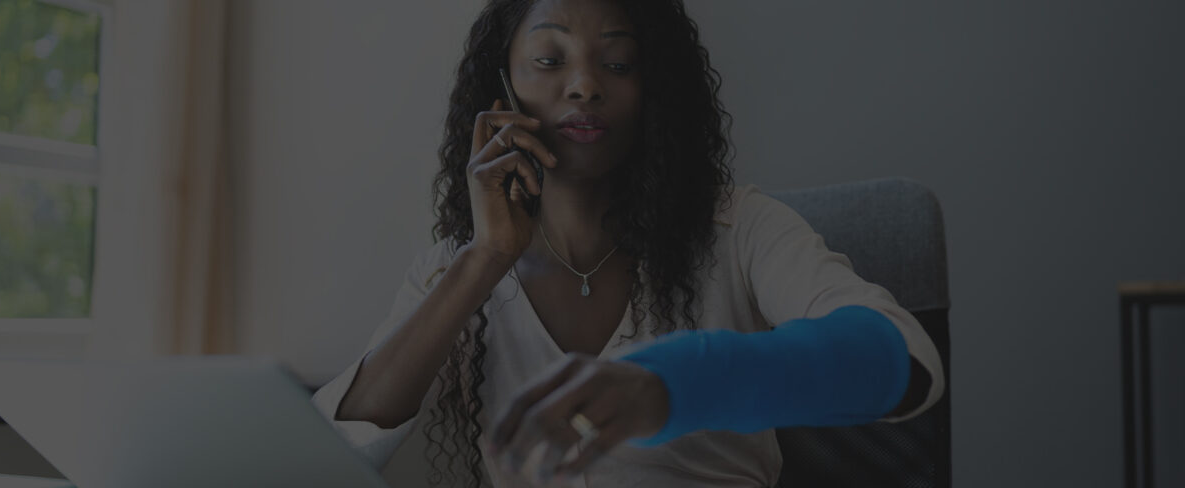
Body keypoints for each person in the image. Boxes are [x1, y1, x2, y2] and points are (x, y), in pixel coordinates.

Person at [312, 0, 944, 487]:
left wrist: (671, 384)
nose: (585, 85)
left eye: (618, 63)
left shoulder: (742, 230)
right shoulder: (457, 269)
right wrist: (483, 258)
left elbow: (908, 361)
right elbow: (327, 457)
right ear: (502, 89)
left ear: (655, 90)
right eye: (550, 60)